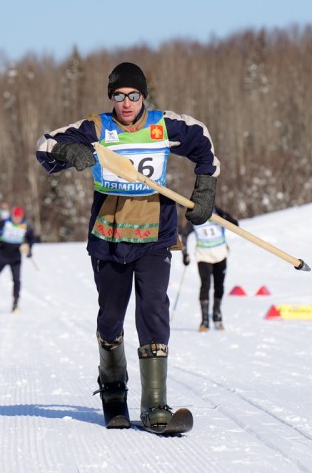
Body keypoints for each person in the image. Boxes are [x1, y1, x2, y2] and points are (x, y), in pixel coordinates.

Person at [35, 62, 219, 432]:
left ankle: (155, 406)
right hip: (109, 240)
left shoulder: (165, 126)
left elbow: (204, 144)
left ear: (143, 97)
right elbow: (45, 145)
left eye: (133, 95)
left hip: (155, 237)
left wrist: (205, 190)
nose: (126, 103)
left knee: (153, 310)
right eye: (119, 96)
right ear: (111, 98)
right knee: (111, 317)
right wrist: (71, 154)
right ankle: (113, 391)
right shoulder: (97, 128)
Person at [180, 206, 238, 332]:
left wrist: (223, 214)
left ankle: (217, 314)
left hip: (220, 255)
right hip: (203, 256)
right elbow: (184, 234)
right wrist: (185, 254)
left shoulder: (218, 215)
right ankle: (204, 320)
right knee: (205, 285)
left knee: (219, 286)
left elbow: (235, 225)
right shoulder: (197, 216)